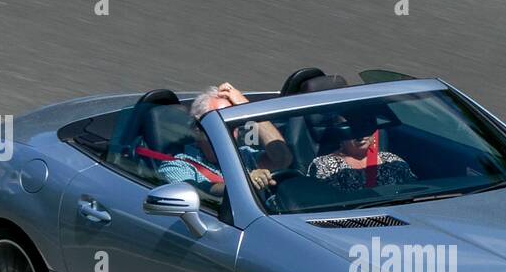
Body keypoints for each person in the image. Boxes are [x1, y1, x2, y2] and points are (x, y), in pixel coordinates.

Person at [157, 83, 292, 200]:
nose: (230, 132)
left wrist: (245, 107)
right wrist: (245, 183)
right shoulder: (178, 165)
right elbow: (202, 191)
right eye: (222, 126)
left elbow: (282, 158)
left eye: (234, 125)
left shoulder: (245, 155)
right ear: (198, 130)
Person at [307, 111, 415, 191]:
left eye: (365, 126)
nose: (361, 135)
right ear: (338, 132)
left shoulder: (392, 161)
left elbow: (412, 191)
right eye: (352, 129)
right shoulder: (325, 165)